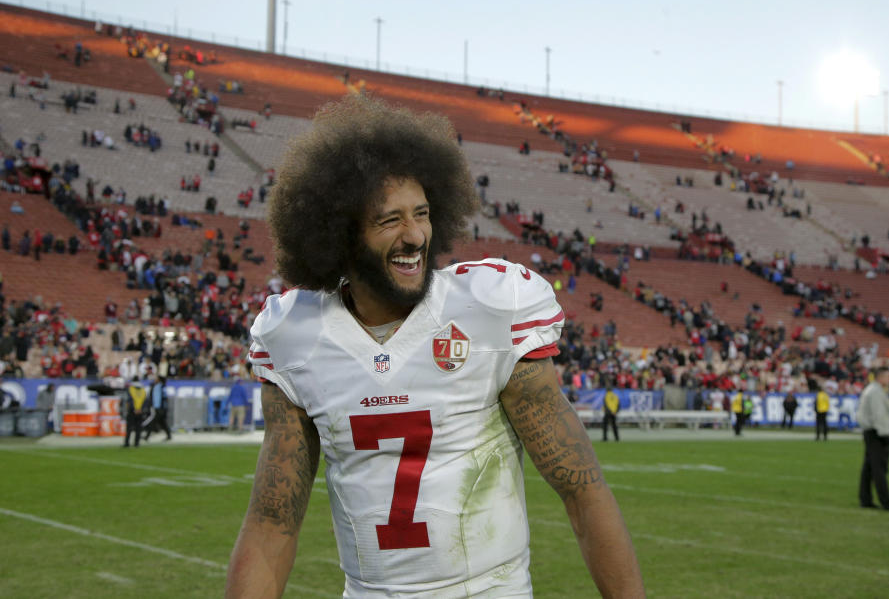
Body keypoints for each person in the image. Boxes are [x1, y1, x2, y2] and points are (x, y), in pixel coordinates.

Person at [226, 96, 644, 598]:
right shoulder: (296, 337)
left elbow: (582, 490)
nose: (414, 235)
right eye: (389, 220)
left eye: (421, 214)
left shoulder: (489, 310)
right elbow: (272, 524)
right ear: (340, 234)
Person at [856, 368, 889, 511]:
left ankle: (865, 498)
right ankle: (886, 501)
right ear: (880, 377)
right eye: (888, 376)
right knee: (879, 468)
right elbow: (879, 416)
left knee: (869, 468)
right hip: (876, 432)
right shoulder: (875, 392)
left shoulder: (872, 390)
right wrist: (885, 435)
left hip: (872, 431)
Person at [143, 375, 172, 441]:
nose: (155, 380)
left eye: (156, 379)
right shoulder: (159, 386)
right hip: (160, 408)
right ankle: (169, 435)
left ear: (159, 380)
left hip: (159, 408)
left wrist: (157, 407)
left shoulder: (159, 387)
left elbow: (160, 398)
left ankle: (147, 436)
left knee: (153, 422)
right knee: (162, 422)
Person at [123, 378, 148, 448]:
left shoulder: (130, 389)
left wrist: (134, 409)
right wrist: (141, 409)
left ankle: (127, 443)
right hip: (140, 412)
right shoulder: (143, 390)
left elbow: (129, 400)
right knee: (138, 428)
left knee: (129, 428)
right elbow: (145, 401)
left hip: (132, 411)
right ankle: (136, 443)